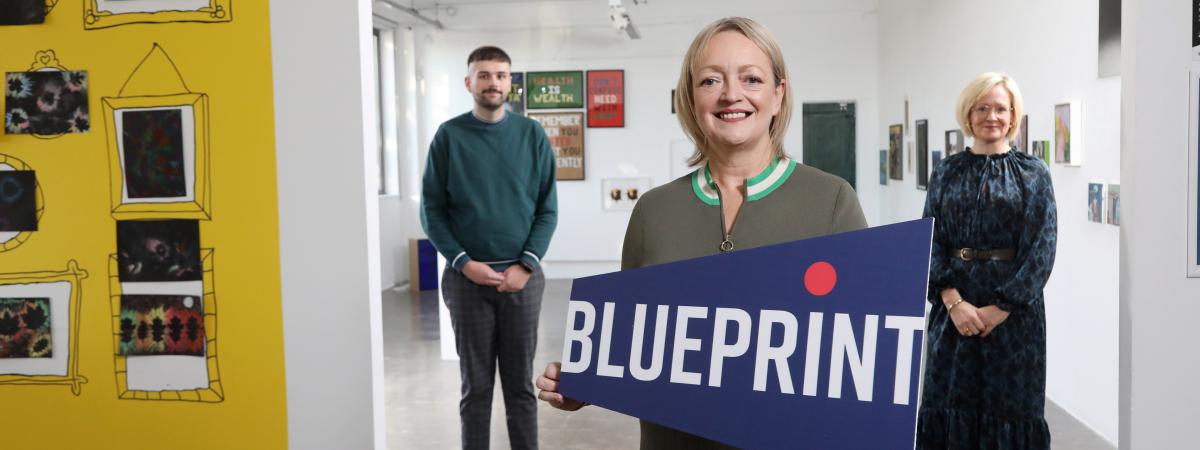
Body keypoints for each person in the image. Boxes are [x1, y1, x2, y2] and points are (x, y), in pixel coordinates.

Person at [534, 17, 866, 449]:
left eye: (751, 78)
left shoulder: (832, 201)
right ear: (690, 100)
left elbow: (860, 356)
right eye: (711, 80)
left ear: (778, 94)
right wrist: (590, 382)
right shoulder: (653, 211)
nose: (732, 94)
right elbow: (632, 344)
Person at [420, 45, 558, 450]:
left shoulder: (531, 135)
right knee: (475, 389)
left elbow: (547, 208)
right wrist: (463, 263)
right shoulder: (448, 137)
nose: (492, 82)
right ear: (469, 83)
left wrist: (526, 266)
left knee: (519, 387)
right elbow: (432, 210)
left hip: (523, 281)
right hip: (467, 283)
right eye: (484, 75)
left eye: (500, 75)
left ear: (509, 82)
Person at [917, 73, 1057, 450]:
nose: (991, 116)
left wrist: (1000, 308)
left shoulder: (1034, 173)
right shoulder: (946, 171)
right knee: (949, 404)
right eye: (982, 107)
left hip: (1015, 323)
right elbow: (929, 238)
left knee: (1009, 410)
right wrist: (953, 302)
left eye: (1000, 108)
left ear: (1013, 116)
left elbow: (1041, 249)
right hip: (953, 315)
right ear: (969, 114)